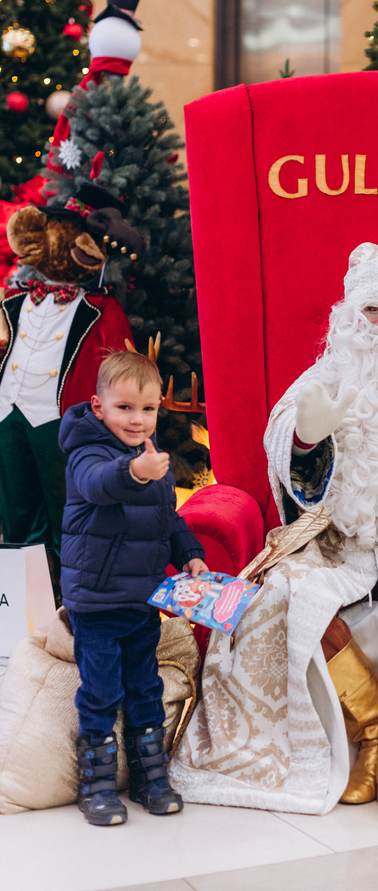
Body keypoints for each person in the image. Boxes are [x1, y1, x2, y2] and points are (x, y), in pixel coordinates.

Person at [170, 243, 378, 828]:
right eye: (373, 310)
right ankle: (377, 735)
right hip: (336, 548)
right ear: (351, 317)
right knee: (281, 594)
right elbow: (291, 464)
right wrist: (308, 442)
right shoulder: (321, 382)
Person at [58, 350, 208, 827]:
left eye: (148, 409)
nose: (137, 419)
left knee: (145, 688)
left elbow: (167, 515)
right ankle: (97, 785)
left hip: (142, 601)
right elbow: (98, 485)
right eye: (124, 408)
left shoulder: (152, 453)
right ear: (98, 407)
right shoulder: (88, 451)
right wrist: (133, 473)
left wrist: (188, 551)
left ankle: (150, 777)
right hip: (97, 601)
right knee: (101, 692)